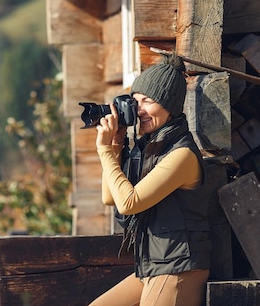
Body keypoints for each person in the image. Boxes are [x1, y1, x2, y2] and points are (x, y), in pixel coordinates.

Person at [90, 53, 212, 306]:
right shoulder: (149, 150)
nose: (140, 110)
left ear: (170, 105)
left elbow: (129, 203)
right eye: (136, 102)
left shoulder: (182, 155)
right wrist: (115, 145)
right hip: (154, 266)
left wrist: (103, 151)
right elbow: (110, 197)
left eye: (148, 100)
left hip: (179, 268)